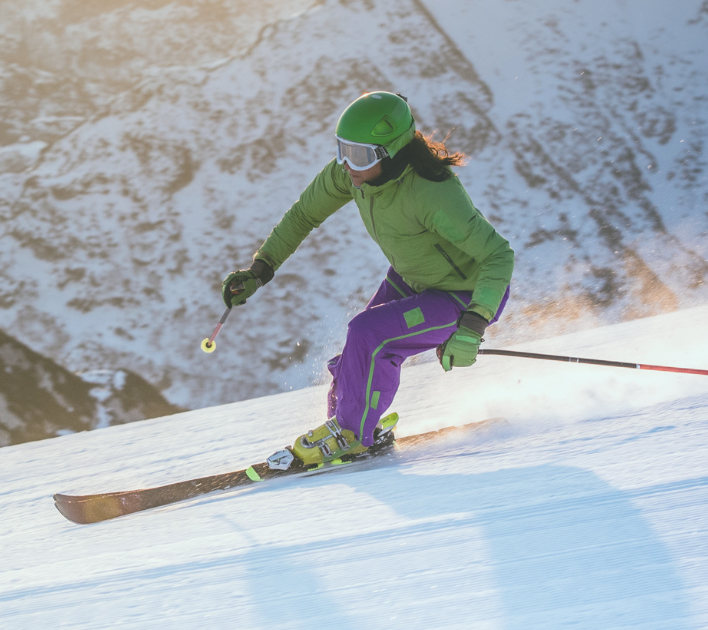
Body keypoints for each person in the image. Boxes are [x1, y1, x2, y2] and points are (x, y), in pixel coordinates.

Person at [220, 90, 514, 468]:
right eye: (342, 149)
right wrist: (260, 270)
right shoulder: (352, 175)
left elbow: (498, 255)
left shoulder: (433, 192)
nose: (347, 164)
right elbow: (302, 216)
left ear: (390, 153)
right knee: (355, 358)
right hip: (414, 279)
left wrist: (473, 324)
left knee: (368, 334)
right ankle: (352, 427)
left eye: (359, 155)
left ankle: (351, 433)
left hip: (464, 294)